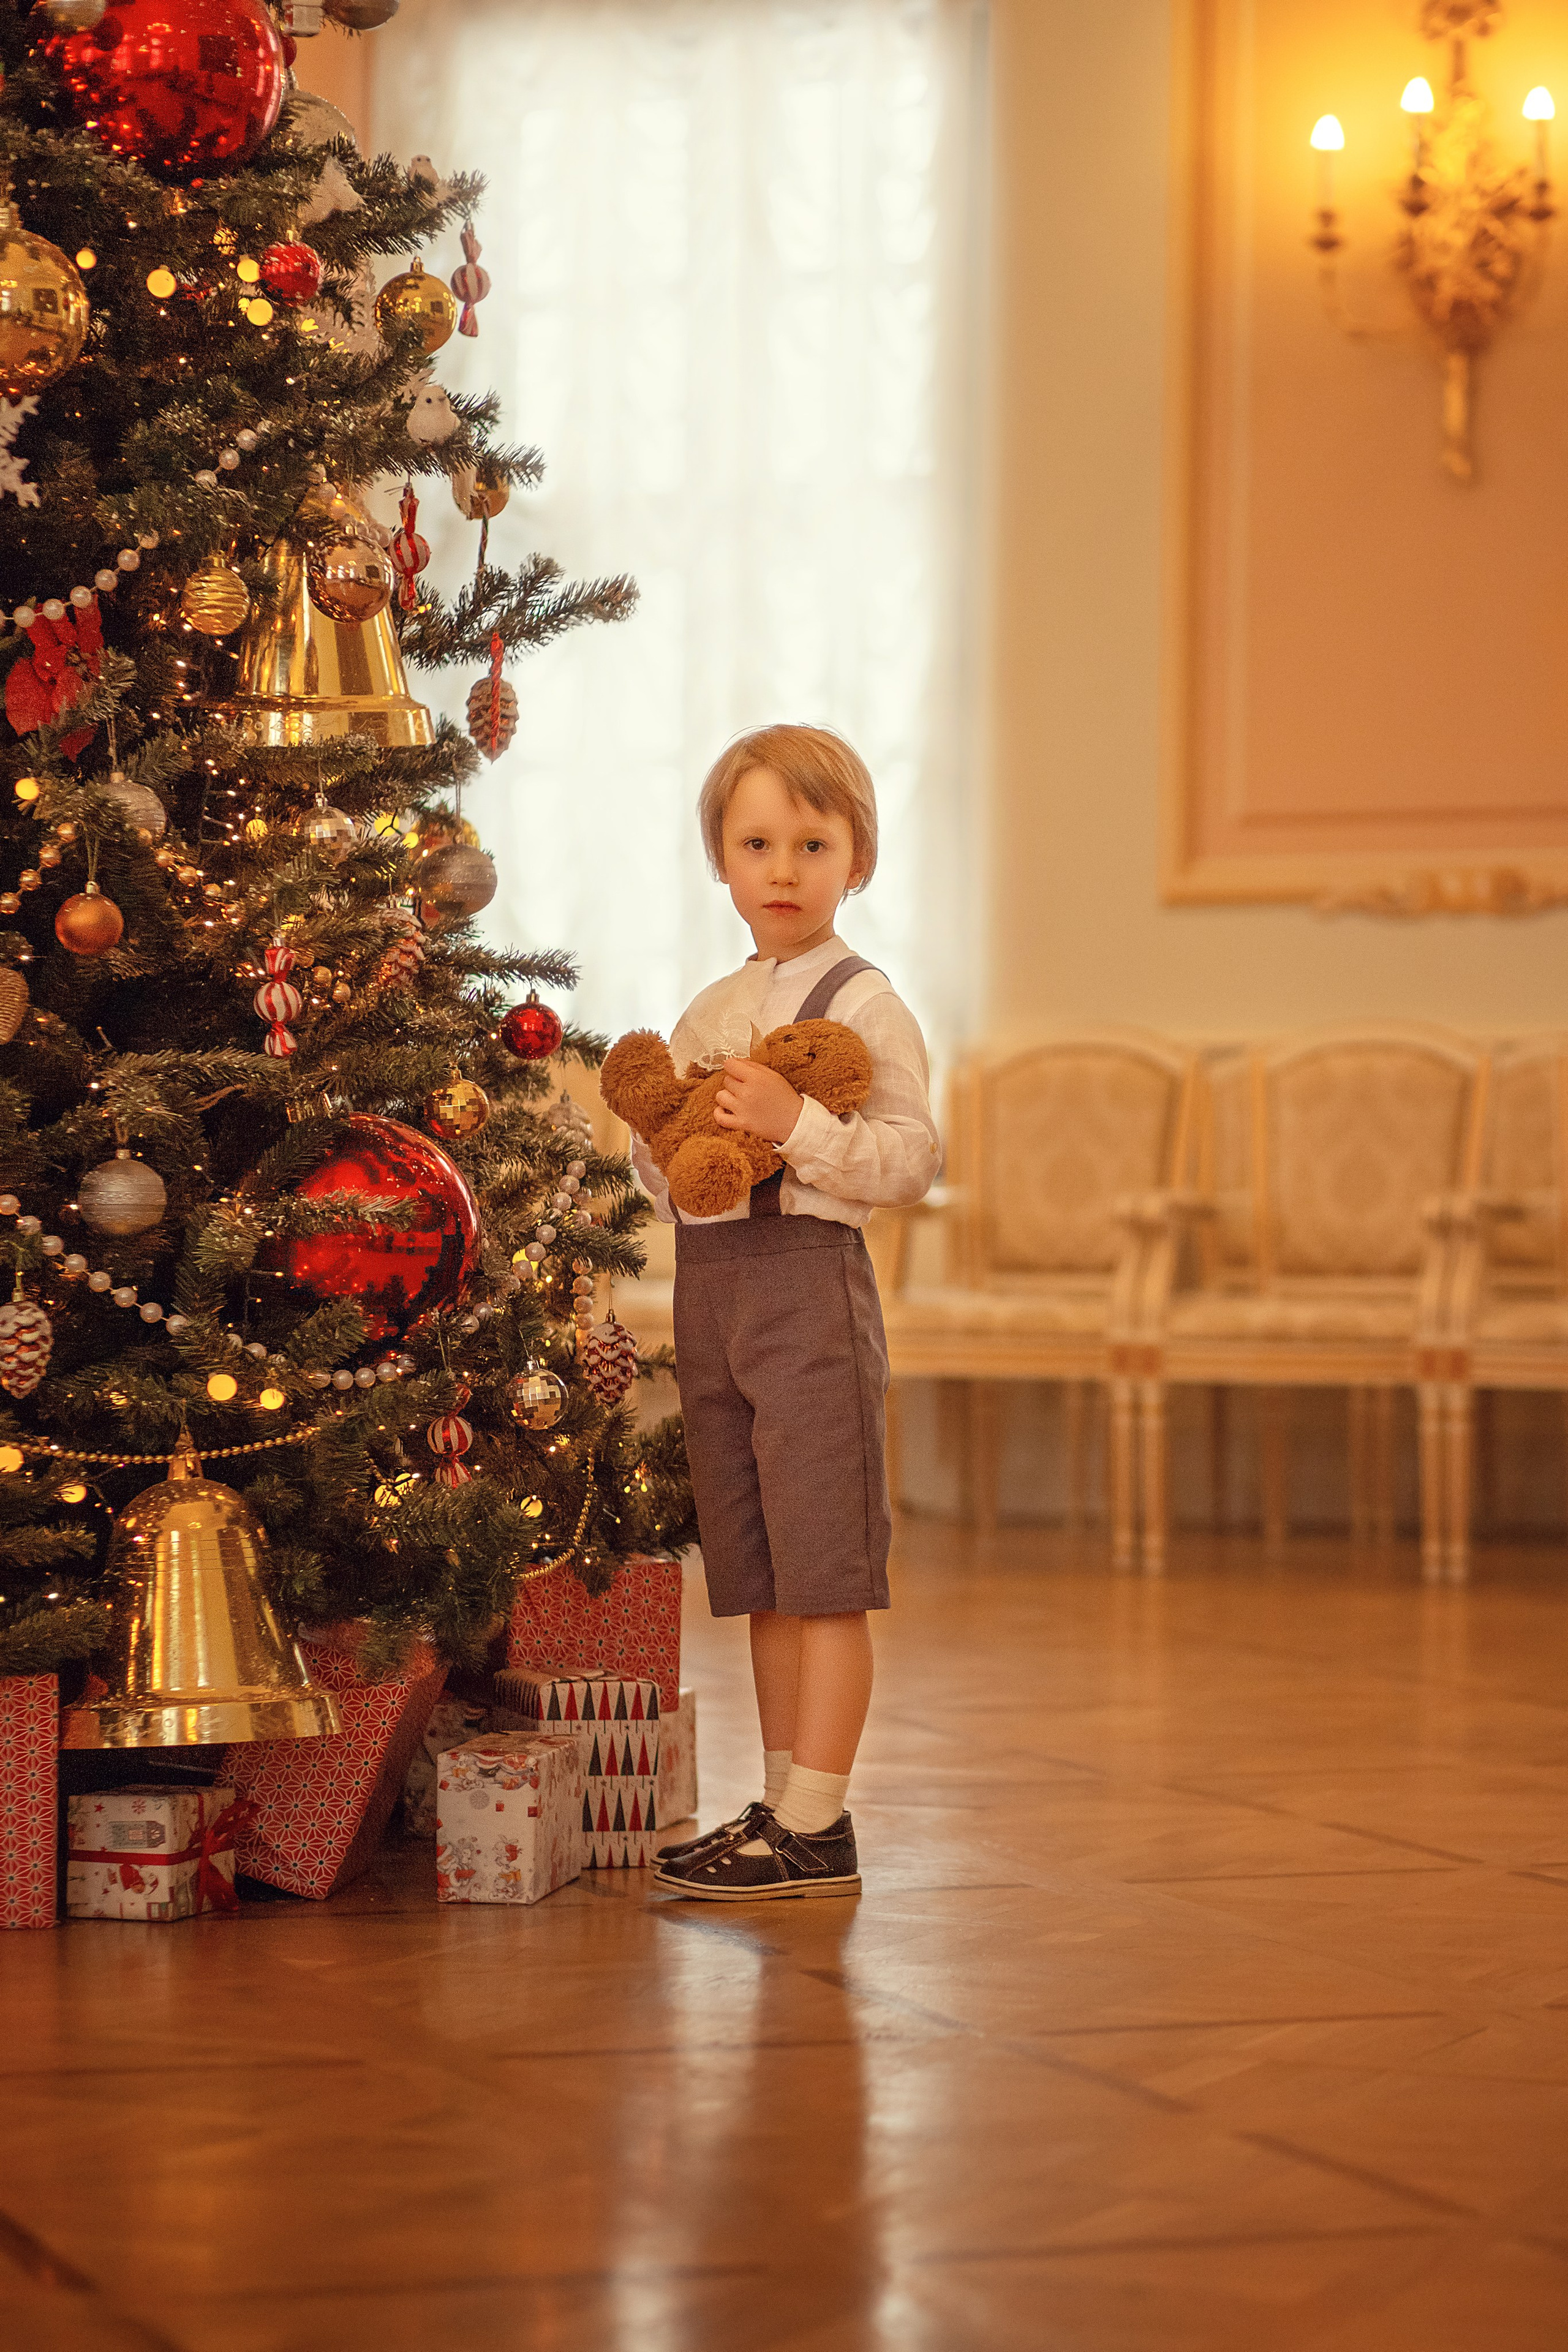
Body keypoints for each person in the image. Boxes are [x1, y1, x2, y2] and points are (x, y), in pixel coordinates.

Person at [629, 723, 940, 1899]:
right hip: (713, 1295)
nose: (784, 868)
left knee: (823, 1570)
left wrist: (794, 1127)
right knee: (754, 1571)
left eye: (813, 843)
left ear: (857, 859)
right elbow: (669, 1167)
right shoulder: (713, 1006)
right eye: (757, 842)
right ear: (720, 859)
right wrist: (666, 1145)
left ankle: (822, 1814)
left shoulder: (869, 1002)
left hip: (808, 1290)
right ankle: (776, 1806)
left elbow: (909, 1158)